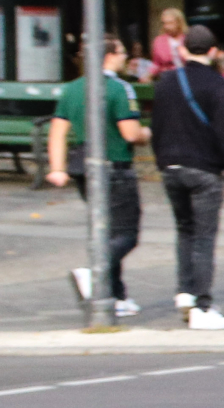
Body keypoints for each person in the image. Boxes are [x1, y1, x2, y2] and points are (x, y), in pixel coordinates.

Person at [47, 33, 150, 316]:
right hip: (116, 166)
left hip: (84, 170)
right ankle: (93, 274)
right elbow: (129, 132)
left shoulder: (73, 88)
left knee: (106, 232)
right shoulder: (119, 89)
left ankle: (115, 295)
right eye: (121, 51)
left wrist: (57, 168)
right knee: (127, 234)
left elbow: (57, 132)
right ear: (109, 55)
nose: (125, 56)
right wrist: (145, 134)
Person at [151, 24, 224, 329]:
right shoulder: (217, 84)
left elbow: (157, 126)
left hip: (171, 167)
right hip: (205, 170)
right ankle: (203, 306)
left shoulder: (166, 81)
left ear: (184, 49)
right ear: (214, 52)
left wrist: (162, 161)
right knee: (204, 238)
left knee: (184, 231)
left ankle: (185, 292)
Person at [149, 7, 187, 77]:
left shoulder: (188, 38)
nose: (167, 27)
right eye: (164, 23)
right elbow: (156, 63)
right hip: (167, 77)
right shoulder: (159, 41)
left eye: (170, 23)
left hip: (188, 76)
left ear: (179, 23)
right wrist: (148, 75)